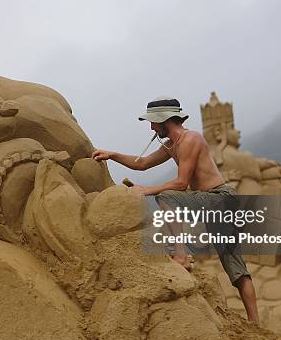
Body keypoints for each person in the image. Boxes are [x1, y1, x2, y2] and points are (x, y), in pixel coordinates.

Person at [92, 97, 259, 323]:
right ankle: (254, 321)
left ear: (163, 120)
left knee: (167, 196)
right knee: (235, 264)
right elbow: (142, 163)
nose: (151, 127)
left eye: (153, 122)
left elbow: (181, 184)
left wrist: (146, 190)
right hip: (207, 200)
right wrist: (111, 155)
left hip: (220, 199)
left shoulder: (190, 140)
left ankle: (182, 255)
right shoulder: (172, 144)